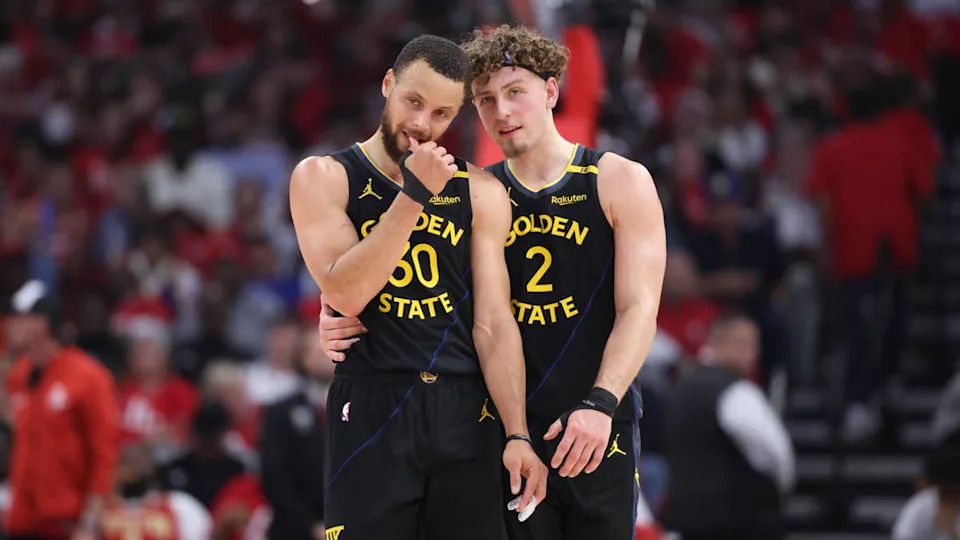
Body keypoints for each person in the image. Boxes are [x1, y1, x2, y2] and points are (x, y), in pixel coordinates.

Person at [321, 24, 667, 540]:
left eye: (515, 93)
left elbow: (640, 308)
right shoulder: (474, 191)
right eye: (484, 100)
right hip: (499, 426)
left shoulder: (618, 179)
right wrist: (333, 320)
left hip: (594, 421)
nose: (501, 112)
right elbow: (410, 289)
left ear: (550, 91)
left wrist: (601, 402)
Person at [289, 35, 546, 540]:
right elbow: (345, 294)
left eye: (442, 113)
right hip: (372, 402)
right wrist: (413, 196)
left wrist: (517, 431)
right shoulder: (324, 176)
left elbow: (494, 322)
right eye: (413, 102)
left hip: (464, 407)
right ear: (388, 84)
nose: (423, 124)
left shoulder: (483, 191)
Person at [4, 279, 120, 540]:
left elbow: (104, 454)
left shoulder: (88, 376)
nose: (7, 325)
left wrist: (90, 523)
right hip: (22, 522)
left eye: (15, 318)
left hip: (66, 524)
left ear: (40, 324)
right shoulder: (18, 375)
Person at [662, 315, 794, 540]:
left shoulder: (681, 386)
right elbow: (775, 451)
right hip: (736, 521)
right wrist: (780, 492)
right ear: (717, 341)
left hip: (686, 517)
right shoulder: (734, 389)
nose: (754, 354)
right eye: (746, 344)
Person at [258, 322, 331, 540]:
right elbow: (274, 475)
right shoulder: (279, 412)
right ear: (302, 358)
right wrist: (311, 525)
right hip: (295, 530)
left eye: (330, 349)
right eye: (317, 351)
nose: (325, 356)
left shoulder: (365, 410)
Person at [100, 443, 211, 540]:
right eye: (126, 462)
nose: (133, 470)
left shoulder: (179, 504)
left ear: (151, 468)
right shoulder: (102, 509)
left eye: (138, 462)